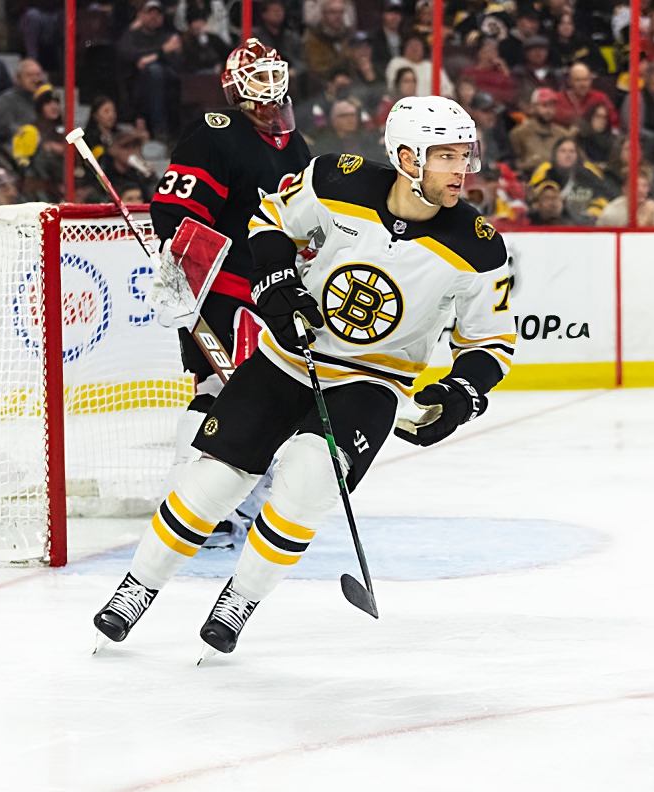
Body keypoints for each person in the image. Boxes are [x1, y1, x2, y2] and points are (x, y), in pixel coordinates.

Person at [93, 95, 513, 657]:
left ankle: (239, 599)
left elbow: (490, 342)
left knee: (310, 479)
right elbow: (269, 222)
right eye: (447, 156)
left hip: (374, 383)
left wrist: (461, 395)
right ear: (408, 158)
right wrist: (277, 287)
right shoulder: (335, 179)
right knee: (212, 482)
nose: (462, 170)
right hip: (288, 357)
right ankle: (136, 589)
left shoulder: (479, 247)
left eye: (466, 155)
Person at [138, 39, 312, 549]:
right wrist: (182, 277)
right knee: (217, 393)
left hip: (268, 296)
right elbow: (174, 214)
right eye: (257, 79)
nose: (270, 89)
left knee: (267, 400)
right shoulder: (218, 133)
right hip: (221, 294)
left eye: (273, 75)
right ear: (237, 88)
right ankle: (190, 510)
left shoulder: (296, 146)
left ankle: (240, 503)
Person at [117, 0, 183, 139]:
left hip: (169, 84)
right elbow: (128, 55)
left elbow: (176, 61)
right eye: (149, 13)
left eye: (157, 14)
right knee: (154, 71)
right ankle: (159, 129)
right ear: (141, 15)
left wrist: (151, 57)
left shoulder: (167, 37)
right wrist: (162, 51)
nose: (154, 17)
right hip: (137, 84)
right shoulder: (132, 36)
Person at [509, 87, 572, 179]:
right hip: (530, 180)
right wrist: (528, 164)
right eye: (544, 105)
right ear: (533, 107)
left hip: (560, 179)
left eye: (552, 106)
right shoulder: (518, 134)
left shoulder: (563, 134)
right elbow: (512, 163)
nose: (549, 110)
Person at [0, 59, 46, 150]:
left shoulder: (46, 99)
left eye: (38, 75)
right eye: (29, 75)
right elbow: (4, 128)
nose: (35, 80)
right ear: (18, 78)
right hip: (15, 147)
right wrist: (28, 135)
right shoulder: (6, 100)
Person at [550, 63, 618, 130]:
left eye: (586, 80)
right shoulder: (556, 98)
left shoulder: (600, 98)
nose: (582, 84)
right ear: (570, 81)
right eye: (578, 80)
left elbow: (614, 124)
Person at [386, 34, 453, 99]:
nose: (415, 48)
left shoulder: (431, 67)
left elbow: (448, 90)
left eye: (418, 45)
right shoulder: (396, 63)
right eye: (411, 45)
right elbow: (392, 88)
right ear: (405, 47)